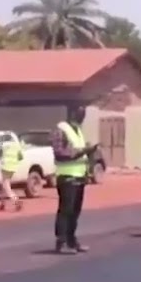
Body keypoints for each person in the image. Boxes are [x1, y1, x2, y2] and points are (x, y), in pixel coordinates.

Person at [50, 104, 97, 253]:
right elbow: (60, 153)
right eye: (80, 114)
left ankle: (71, 239)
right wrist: (82, 151)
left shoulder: (78, 131)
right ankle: (61, 241)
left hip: (79, 176)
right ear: (72, 114)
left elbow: (81, 152)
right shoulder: (61, 130)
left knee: (75, 211)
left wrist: (89, 153)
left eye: (84, 114)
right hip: (67, 176)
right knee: (66, 210)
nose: (82, 117)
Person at [0, 135, 23, 212]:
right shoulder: (16, 145)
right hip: (13, 167)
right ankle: (2, 204)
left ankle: (16, 200)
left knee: (6, 186)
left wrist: (0, 159)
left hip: (5, 167)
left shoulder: (3, 145)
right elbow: (21, 157)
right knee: (3, 186)